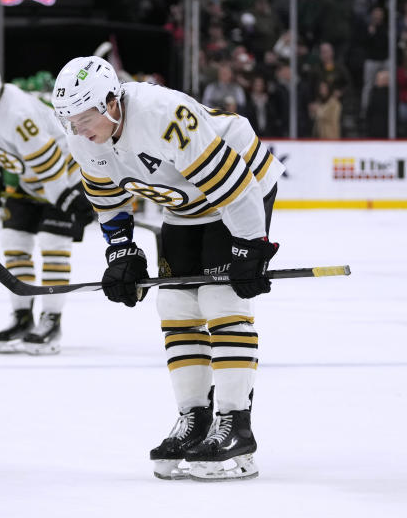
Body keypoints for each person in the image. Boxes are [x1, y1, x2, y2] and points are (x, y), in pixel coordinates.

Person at [51, 56, 284, 481]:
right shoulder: (84, 138)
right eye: (69, 120)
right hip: (183, 205)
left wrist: (251, 246)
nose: (78, 129)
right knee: (175, 305)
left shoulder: (164, 115)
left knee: (220, 296)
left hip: (238, 185)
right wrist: (121, 254)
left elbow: (233, 185)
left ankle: (236, 427)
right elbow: (109, 200)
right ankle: (195, 419)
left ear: (111, 103)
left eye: (84, 117)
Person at [0, 61, 94, 355]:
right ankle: (22, 317)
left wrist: (68, 199)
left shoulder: (16, 112)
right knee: (14, 241)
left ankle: (52, 320)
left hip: (64, 177)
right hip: (30, 181)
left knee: (53, 243)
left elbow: (49, 164)